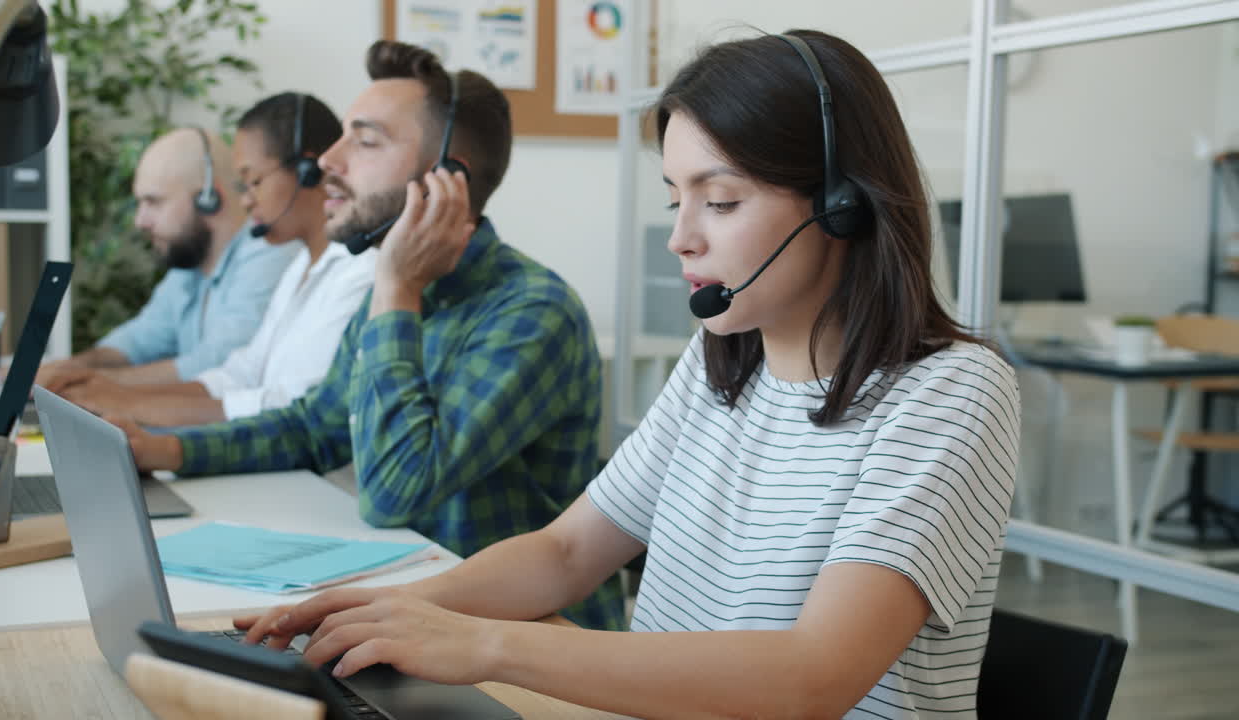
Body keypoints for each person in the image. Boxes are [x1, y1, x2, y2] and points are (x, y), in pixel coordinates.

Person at [232, 30, 1021, 720]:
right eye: (677, 197)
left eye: (719, 201)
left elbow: (811, 681)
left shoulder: (950, 392)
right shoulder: (722, 365)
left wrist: (482, 646)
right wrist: (383, 611)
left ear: (843, 208)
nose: (680, 237)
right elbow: (569, 554)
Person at [116, 41, 624, 630]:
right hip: (414, 612)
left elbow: (395, 494)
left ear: (445, 178)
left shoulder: (532, 313)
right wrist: (166, 450)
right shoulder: (401, 290)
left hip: (525, 650)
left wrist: (396, 288)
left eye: (365, 141)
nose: (329, 160)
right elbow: (315, 427)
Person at [57, 93, 378, 427]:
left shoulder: (356, 271)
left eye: (253, 181)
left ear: (308, 171)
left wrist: (133, 405)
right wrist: (117, 397)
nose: (246, 200)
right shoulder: (300, 267)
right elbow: (242, 373)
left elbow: (297, 408)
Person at [36, 128, 299, 388]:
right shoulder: (190, 267)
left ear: (209, 199)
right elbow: (139, 339)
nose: (140, 221)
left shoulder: (268, 252)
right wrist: (64, 369)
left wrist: (88, 383)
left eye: (154, 202)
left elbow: (219, 365)